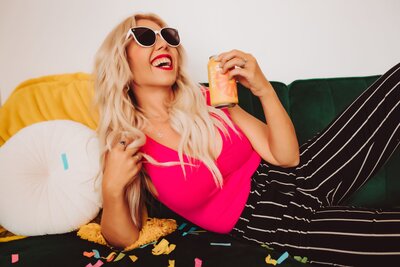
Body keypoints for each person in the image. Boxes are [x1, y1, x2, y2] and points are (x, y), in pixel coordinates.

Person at [93, 12, 400, 266]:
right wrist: (111, 188)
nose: (163, 44)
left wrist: (262, 88)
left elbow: (287, 157)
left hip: (298, 174)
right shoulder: (127, 142)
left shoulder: (207, 98)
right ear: (122, 59)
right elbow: (125, 238)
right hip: (271, 224)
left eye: (169, 37)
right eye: (146, 37)